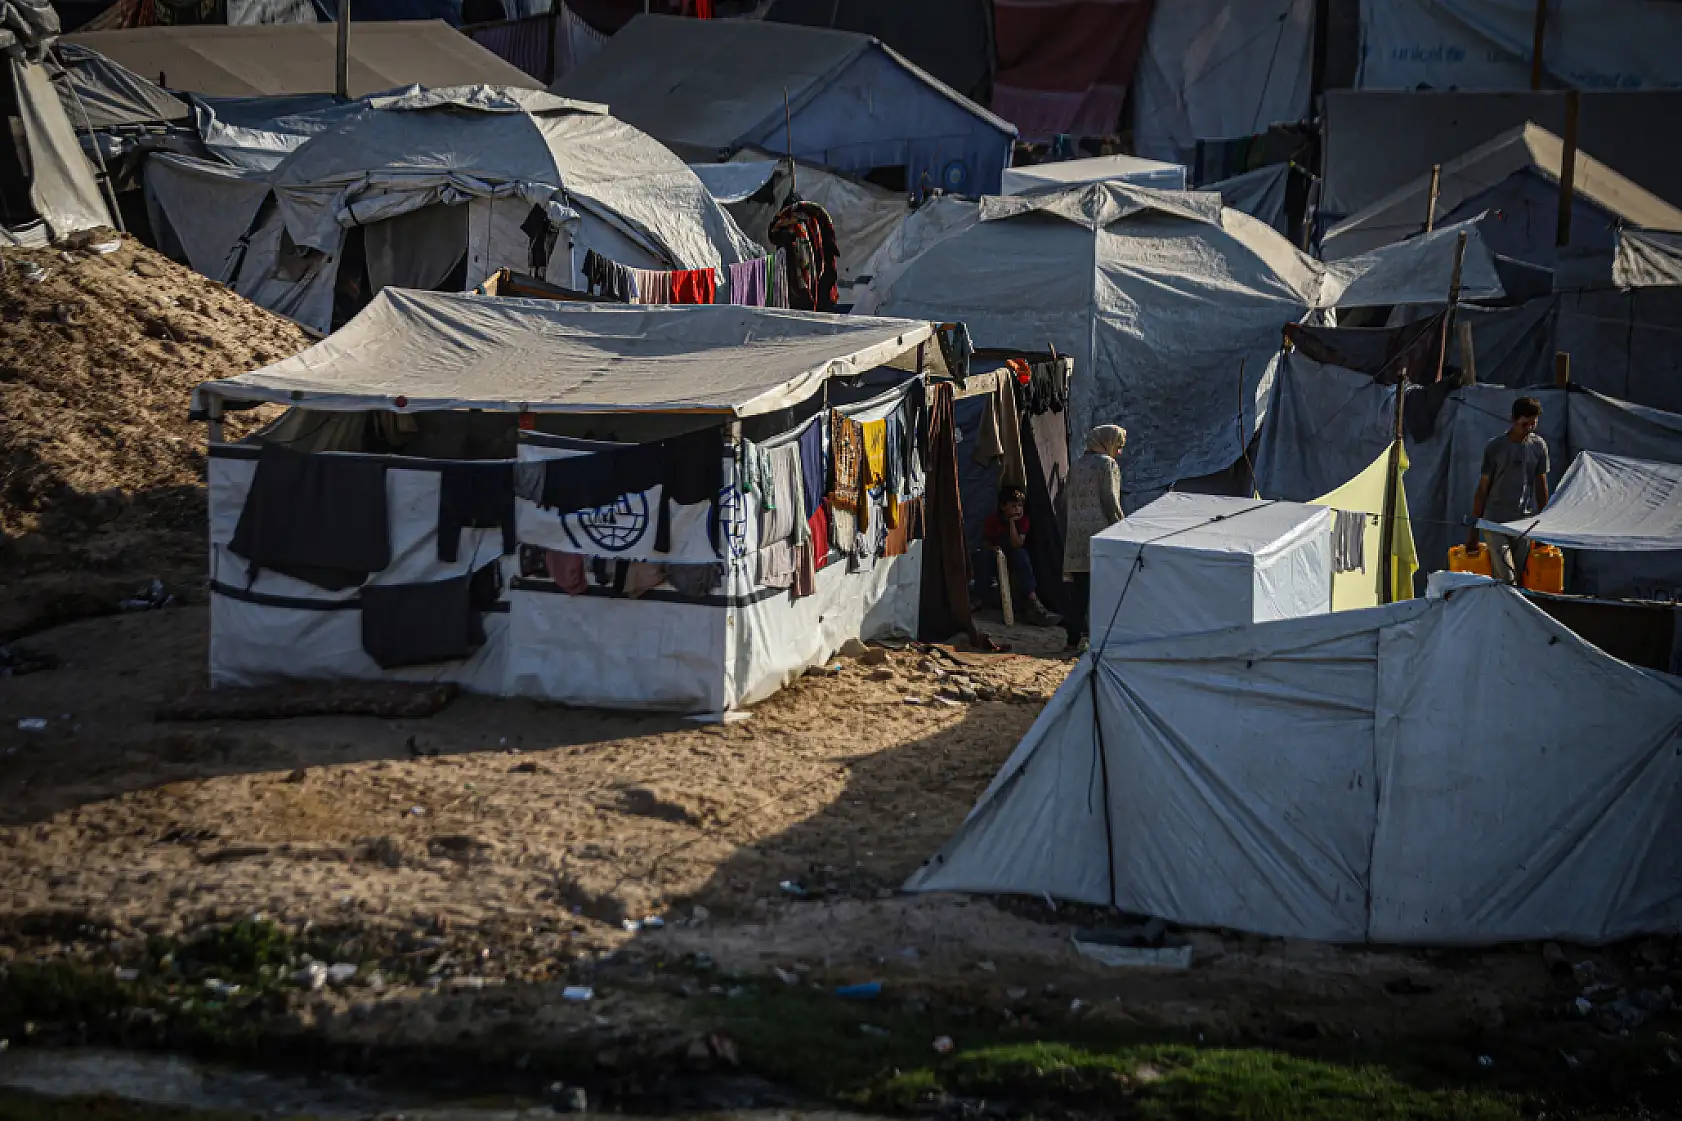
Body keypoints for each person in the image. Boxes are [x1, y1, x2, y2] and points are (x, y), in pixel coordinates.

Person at [1468, 396, 1550, 584]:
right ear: (1513, 419)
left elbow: (1540, 487)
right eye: (1524, 424)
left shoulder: (1538, 446)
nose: (1528, 428)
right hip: (1495, 522)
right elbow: (1482, 489)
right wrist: (1473, 528)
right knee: (1507, 577)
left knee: (1519, 579)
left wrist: (1543, 526)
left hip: (1523, 523)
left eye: (1533, 424)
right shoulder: (1496, 447)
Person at [1062, 425, 1126, 652]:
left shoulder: (1076, 466)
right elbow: (1110, 500)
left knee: (1080, 591)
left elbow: (1065, 500)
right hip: (1101, 536)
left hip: (1077, 537)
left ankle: (1072, 640)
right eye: (1118, 446)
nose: (1118, 452)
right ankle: (1099, 640)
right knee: (1101, 591)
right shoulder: (1107, 465)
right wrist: (1123, 529)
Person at [981, 487, 1054, 626]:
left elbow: (1017, 544)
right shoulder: (993, 519)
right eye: (1013, 506)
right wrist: (994, 549)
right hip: (996, 555)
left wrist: (1012, 523)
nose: (1017, 509)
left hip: (1013, 554)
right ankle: (982, 595)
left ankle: (1032, 598)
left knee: (1022, 556)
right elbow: (985, 542)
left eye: (1020, 506)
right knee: (983, 557)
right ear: (1003, 506)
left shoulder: (1023, 521)